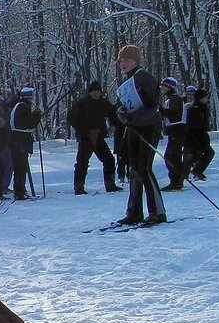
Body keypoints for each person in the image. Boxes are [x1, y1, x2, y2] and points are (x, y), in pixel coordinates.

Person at [114, 45, 166, 225]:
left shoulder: (143, 76)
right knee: (134, 169)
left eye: (126, 60)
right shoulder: (127, 81)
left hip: (148, 126)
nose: (123, 64)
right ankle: (134, 212)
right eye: (121, 60)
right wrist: (121, 113)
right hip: (134, 128)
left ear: (135, 60)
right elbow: (124, 104)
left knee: (144, 168)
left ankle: (158, 212)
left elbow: (153, 105)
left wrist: (133, 117)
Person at [67, 80, 121, 194]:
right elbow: (71, 118)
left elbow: (113, 115)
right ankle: (79, 187)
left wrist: (116, 123)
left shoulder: (104, 103)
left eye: (98, 91)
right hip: (85, 136)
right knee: (82, 162)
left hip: (99, 137)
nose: (96, 94)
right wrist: (80, 128)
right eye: (93, 92)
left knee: (109, 159)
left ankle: (110, 184)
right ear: (89, 92)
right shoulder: (81, 104)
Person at [8, 86, 42, 200]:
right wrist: (37, 117)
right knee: (21, 167)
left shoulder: (18, 106)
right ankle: (19, 192)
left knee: (20, 167)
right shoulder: (23, 107)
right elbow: (28, 124)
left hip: (16, 139)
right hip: (21, 139)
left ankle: (20, 191)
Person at [159, 76, 188, 191]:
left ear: (169, 87)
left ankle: (176, 181)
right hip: (175, 131)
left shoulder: (174, 99)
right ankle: (177, 180)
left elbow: (174, 114)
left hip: (177, 130)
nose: (162, 88)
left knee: (171, 157)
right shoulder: (171, 99)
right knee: (172, 156)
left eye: (163, 86)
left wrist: (161, 110)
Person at [184, 88, 214, 181]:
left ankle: (196, 171)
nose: (206, 99)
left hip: (201, 137)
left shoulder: (203, 108)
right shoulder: (194, 109)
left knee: (207, 154)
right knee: (192, 156)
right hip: (194, 138)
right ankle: (184, 174)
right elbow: (194, 126)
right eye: (205, 98)